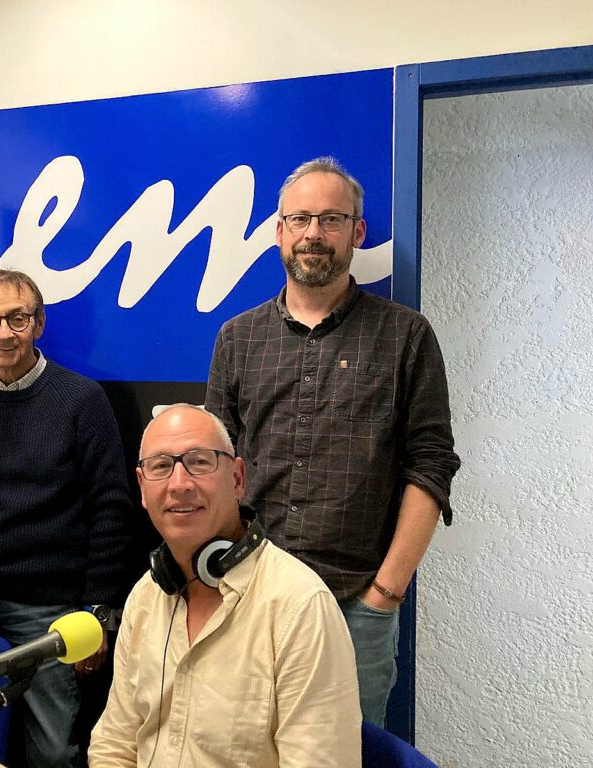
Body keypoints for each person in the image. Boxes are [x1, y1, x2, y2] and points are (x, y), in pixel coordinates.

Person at [205, 156, 461, 726]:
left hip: (356, 606)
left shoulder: (405, 335)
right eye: (299, 220)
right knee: (244, 750)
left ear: (357, 232)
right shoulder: (238, 338)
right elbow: (214, 468)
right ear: (279, 232)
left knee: (347, 755)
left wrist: (387, 592)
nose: (313, 234)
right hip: (251, 596)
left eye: (330, 219)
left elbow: (432, 463)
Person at [0, 269, 132, 768]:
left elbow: (111, 509)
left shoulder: (82, 400)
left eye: (17, 318)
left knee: (52, 747)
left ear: (39, 323)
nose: (3, 333)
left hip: (46, 608)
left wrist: (97, 614)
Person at [88, 404, 360, 767]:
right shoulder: (146, 596)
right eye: (161, 466)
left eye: (200, 462)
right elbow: (115, 745)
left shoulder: (300, 607)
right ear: (142, 488)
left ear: (237, 479)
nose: (179, 484)